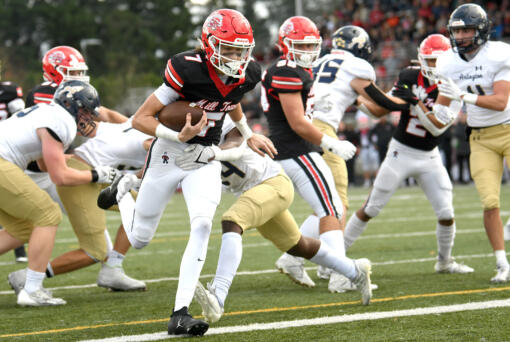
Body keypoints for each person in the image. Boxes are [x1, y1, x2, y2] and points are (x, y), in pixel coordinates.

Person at [116, 9, 275, 337]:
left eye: (241, 49)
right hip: (168, 154)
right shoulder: (186, 68)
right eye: (229, 49)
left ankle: (180, 314)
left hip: (203, 158)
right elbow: (141, 118)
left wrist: (247, 132)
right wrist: (178, 135)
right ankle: (121, 190)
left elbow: (232, 99)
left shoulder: (247, 73)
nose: (237, 57)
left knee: (203, 224)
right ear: (209, 44)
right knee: (139, 238)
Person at [184, 117, 372, 329]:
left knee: (232, 220)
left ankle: (218, 295)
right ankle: (355, 270)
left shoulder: (219, 116)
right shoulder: (182, 141)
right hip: (253, 191)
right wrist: (139, 177)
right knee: (298, 246)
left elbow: (235, 140)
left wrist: (212, 153)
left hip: (272, 183)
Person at [271, 24, 409, 291]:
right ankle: (336, 271)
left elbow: (372, 110)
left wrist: (392, 103)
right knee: (336, 203)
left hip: (304, 127)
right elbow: (386, 104)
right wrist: (408, 99)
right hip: (321, 131)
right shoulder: (356, 67)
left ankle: (302, 259)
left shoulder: (322, 61)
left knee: (325, 202)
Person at [8, 45, 143, 295]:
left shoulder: (72, 92)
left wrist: (134, 126)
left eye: (80, 72)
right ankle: (30, 281)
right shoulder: (46, 95)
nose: (78, 77)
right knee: (38, 225)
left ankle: (112, 267)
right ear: (53, 72)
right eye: (72, 72)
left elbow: (104, 114)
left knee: (137, 207)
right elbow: (50, 155)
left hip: (60, 167)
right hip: (43, 174)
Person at [344, 33, 474, 280]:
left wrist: (416, 104)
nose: (434, 66)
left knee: (446, 213)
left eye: (439, 61)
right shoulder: (409, 76)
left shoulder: (454, 84)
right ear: (420, 59)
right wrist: (357, 99)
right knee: (370, 208)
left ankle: (444, 262)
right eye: (430, 60)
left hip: (430, 156)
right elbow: (382, 110)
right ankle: (335, 259)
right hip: (400, 152)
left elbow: (436, 127)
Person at [259, 17, 373, 294]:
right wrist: (331, 144)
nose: (308, 50)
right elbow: (297, 123)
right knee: (332, 208)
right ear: (285, 45)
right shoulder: (287, 70)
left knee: (330, 207)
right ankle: (340, 273)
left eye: (312, 44)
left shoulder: (297, 69)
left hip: (291, 148)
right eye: (301, 45)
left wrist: (312, 103)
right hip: (296, 150)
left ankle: (299, 260)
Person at [0, 80, 117, 306]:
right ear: (70, 104)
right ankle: (31, 290)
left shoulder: (48, 112)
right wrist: (96, 175)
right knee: (49, 215)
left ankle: (32, 288)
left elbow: (45, 165)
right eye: (84, 110)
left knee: (23, 227)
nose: (87, 117)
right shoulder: (62, 121)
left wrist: (72, 161)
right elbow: (59, 177)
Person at [435, 3, 510, 283]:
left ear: (481, 30)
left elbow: (500, 101)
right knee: (490, 201)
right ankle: (502, 263)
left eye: (466, 29)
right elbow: (443, 105)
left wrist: (462, 98)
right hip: (480, 137)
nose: (461, 36)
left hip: (508, 128)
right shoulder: (447, 61)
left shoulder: (499, 54)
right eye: (457, 31)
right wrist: (433, 110)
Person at [0, 77, 28, 263]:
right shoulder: (9, 90)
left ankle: (20, 253)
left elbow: (20, 114)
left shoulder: (8, 90)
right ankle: (20, 253)